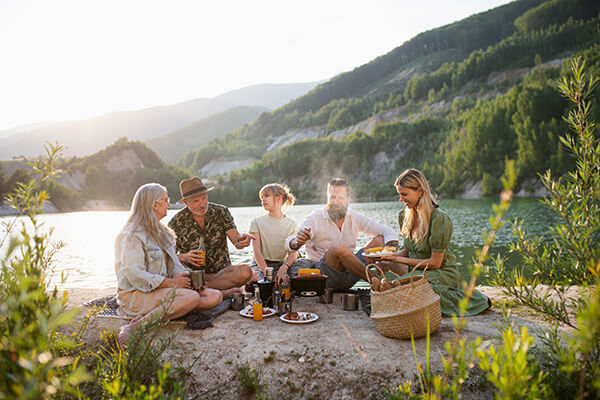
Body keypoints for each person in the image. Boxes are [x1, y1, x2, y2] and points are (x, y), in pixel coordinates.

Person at [115, 183, 223, 344]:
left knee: (215, 296)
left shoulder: (163, 233)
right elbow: (134, 274)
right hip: (136, 295)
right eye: (166, 200)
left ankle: (169, 308)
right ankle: (136, 326)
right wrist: (171, 283)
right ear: (154, 204)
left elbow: (175, 267)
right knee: (191, 298)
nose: (169, 204)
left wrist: (188, 280)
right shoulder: (131, 234)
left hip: (161, 291)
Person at [380, 168, 491, 316]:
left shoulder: (439, 219)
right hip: (418, 270)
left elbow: (435, 263)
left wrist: (397, 259)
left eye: (404, 194)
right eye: (399, 194)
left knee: (411, 284)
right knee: (395, 269)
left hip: (441, 271)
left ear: (420, 191)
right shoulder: (404, 216)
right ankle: (391, 290)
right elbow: (408, 251)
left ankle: (392, 291)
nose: (401, 199)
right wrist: (387, 257)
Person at [285, 178, 399, 291]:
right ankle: (381, 285)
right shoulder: (315, 218)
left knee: (380, 240)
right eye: (332, 197)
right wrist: (298, 241)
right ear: (327, 197)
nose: (335, 202)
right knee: (339, 249)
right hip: (324, 276)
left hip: (350, 273)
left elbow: (387, 231)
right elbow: (289, 242)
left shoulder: (354, 217)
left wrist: (388, 253)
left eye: (340, 198)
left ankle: (407, 283)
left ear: (348, 199)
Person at [168, 177, 253, 295]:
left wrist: (241, 240)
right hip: (194, 275)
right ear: (186, 203)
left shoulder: (221, 212)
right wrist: (185, 257)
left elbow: (236, 240)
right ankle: (221, 291)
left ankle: (206, 288)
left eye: (204, 198)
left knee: (246, 272)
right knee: (182, 279)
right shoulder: (176, 222)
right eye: (196, 201)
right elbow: (168, 257)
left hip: (223, 274)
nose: (202, 204)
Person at [249, 183, 298, 285]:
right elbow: (256, 250)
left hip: (281, 264)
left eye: (266, 196)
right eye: (261, 197)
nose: (263, 200)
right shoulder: (256, 222)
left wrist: (283, 269)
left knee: (304, 265)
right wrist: (266, 272)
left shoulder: (292, 224)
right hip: (260, 264)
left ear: (279, 199)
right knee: (262, 282)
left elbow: (293, 254)